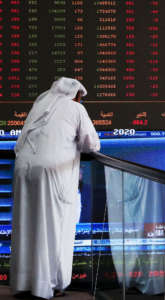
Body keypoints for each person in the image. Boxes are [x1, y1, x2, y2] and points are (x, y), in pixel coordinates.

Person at [10, 77, 100, 299]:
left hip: (23, 169)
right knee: (53, 228)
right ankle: (47, 286)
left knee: (27, 225)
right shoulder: (75, 108)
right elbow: (91, 144)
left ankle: (23, 282)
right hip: (52, 173)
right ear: (76, 95)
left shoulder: (40, 105)